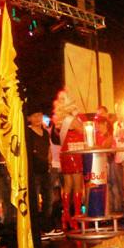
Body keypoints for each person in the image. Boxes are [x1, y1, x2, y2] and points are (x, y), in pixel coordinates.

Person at [53, 90, 85, 230]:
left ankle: (65, 216)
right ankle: (76, 216)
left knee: (67, 185)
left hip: (65, 153)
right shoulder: (72, 119)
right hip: (74, 153)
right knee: (77, 185)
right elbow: (85, 131)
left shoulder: (59, 120)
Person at [27, 109, 59, 238]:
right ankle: (35, 229)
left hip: (45, 170)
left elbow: (48, 148)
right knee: (34, 201)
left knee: (48, 199)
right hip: (34, 172)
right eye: (34, 116)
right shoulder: (28, 133)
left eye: (39, 115)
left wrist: (49, 161)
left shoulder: (45, 133)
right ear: (29, 118)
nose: (37, 118)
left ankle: (46, 226)